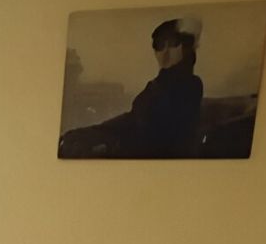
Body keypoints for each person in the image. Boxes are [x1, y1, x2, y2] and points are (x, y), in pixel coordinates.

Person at [59, 18, 205, 159]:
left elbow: (151, 129)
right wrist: (93, 131)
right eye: (159, 46)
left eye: (173, 44)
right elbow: (134, 119)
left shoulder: (188, 85)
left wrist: (104, 139)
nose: (164, 52)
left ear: (183, 47)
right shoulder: (161, 84)